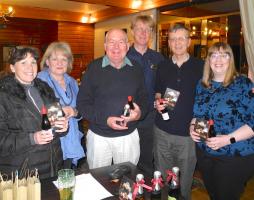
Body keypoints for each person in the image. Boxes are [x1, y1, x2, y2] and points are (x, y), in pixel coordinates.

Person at [190, 42, 254, 200]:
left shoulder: (244, 84)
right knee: (213, 194)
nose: (218, 59)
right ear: (208, 59)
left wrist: (227, 139)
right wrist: (192, 126)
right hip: (205, 153)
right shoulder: (202, 84)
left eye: (224, 55)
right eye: (213, 55)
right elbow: (198, 114)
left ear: (230, 59)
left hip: (233, 155)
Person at [77, 28, 148, 169]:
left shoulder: (136, 68)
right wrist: (105, 120)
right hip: (99, 138)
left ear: (127, 46)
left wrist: (139, 114)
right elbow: (82, 104)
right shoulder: (93, 68)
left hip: (128, 137)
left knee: (127, 181)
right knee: (98, 182)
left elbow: (144, 100)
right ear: (105, 46)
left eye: (121, 42)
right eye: (111, 42)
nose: (116, 46)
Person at [0, 46, 68, 179]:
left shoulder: (45, 89)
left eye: (32, 62)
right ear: (13, 67)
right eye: (23, 63)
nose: (30, 68)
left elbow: (56, 122)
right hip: (23, 173)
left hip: (53, 166)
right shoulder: (4, 96)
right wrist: (32, 138)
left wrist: (62, 127)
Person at [153, 24, 203, 200]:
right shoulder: (162, 66)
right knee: (163, 180)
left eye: (181, 38)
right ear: (169, 43)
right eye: (173, 39)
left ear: (189, 41)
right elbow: (158, 91)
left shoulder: (202, 66)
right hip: (162, 133)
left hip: (188, 136)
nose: (177, 42)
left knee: (185, 183)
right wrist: (157, 102)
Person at [38, 42, 85, 169]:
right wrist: (58, 112)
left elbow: (82, 110)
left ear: (68, 63)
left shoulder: (73, 82)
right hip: (51, 142)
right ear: (47, 62)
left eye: (64, 59)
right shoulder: (39, 81)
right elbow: (36, 111)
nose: (59, 63)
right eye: (55, 59)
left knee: (68, 179)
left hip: (72, 139)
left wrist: (73, 112)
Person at [127, 15, 164, 175]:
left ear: (151, 33)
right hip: (127, 116)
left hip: (150, 118)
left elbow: (161, 86)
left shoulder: (158, 58)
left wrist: (159, 97)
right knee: (127, 160)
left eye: (147, 29)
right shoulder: (123, 56)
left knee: (147, 159)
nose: (143, 33)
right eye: (139, 29)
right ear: (132, 31)